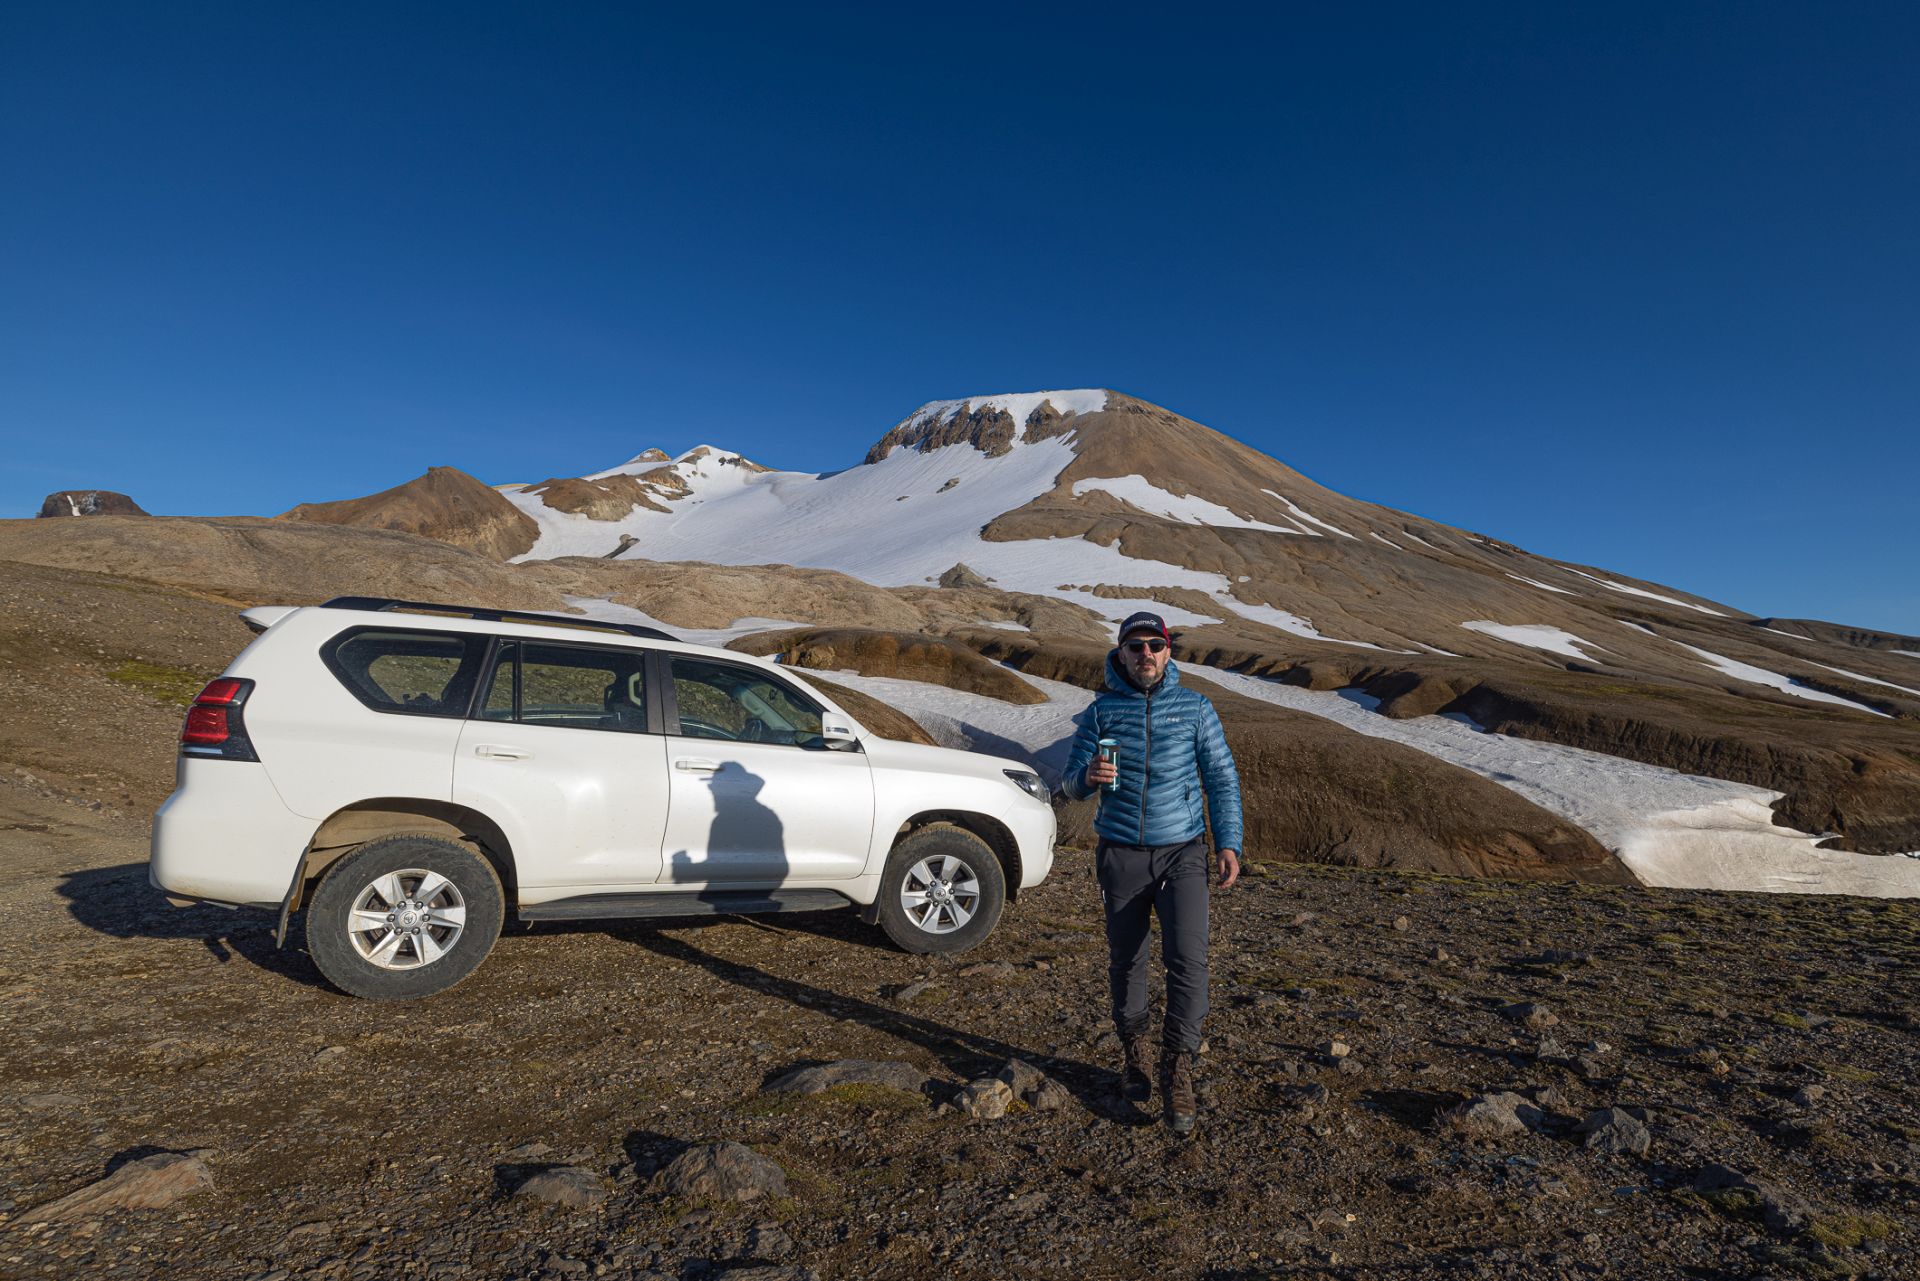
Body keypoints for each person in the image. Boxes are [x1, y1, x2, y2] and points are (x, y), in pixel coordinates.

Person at [1062, 611, 1242, 1136]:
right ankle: (1136, 1054)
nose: (1145, 655)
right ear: (1120, 653)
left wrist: (1228, 842)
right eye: (1135, 646)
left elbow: (1222, 777)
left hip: (1182, 851)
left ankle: (1178, 1067)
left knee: (1189, 959)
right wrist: (1086, 778)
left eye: (1155, 646)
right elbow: (1070, 783)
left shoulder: (1195, 708)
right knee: (1127, 959)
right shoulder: (1100, 713)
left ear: (1169, 652)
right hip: (1120, 852)